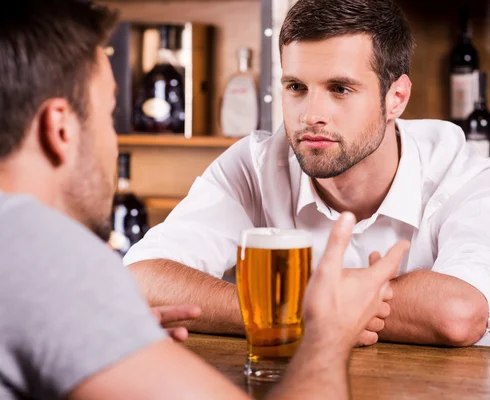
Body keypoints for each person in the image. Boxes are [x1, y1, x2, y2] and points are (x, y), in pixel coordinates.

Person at [0, 1, 409, 399]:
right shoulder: (36, 252)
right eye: (108, 114)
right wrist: (325, 332)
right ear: (60, 129)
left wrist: (100, 335)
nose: (312, 114)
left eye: (339, 89)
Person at [125, 0, 490, 348]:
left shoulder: (471, 177)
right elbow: (141, 282)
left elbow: (458, 314)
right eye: (296, 86)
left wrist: (274, 307)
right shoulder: (254, 164)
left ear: (396, 98)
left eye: (340, 89)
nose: (311, 114)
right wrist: (305, 309)